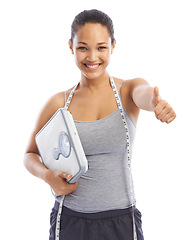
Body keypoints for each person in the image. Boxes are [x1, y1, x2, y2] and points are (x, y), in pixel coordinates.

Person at [24, 9, 176, 240]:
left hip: (121, 221)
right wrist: (47, 176)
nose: (92, 57)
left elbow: (143, 94)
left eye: (101, 47)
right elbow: (30, 154)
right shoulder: (59, 103)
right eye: (83, 47)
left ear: (113, 46)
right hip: (70, 220)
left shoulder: (128, 90)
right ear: (71, 46)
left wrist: (155, 103)